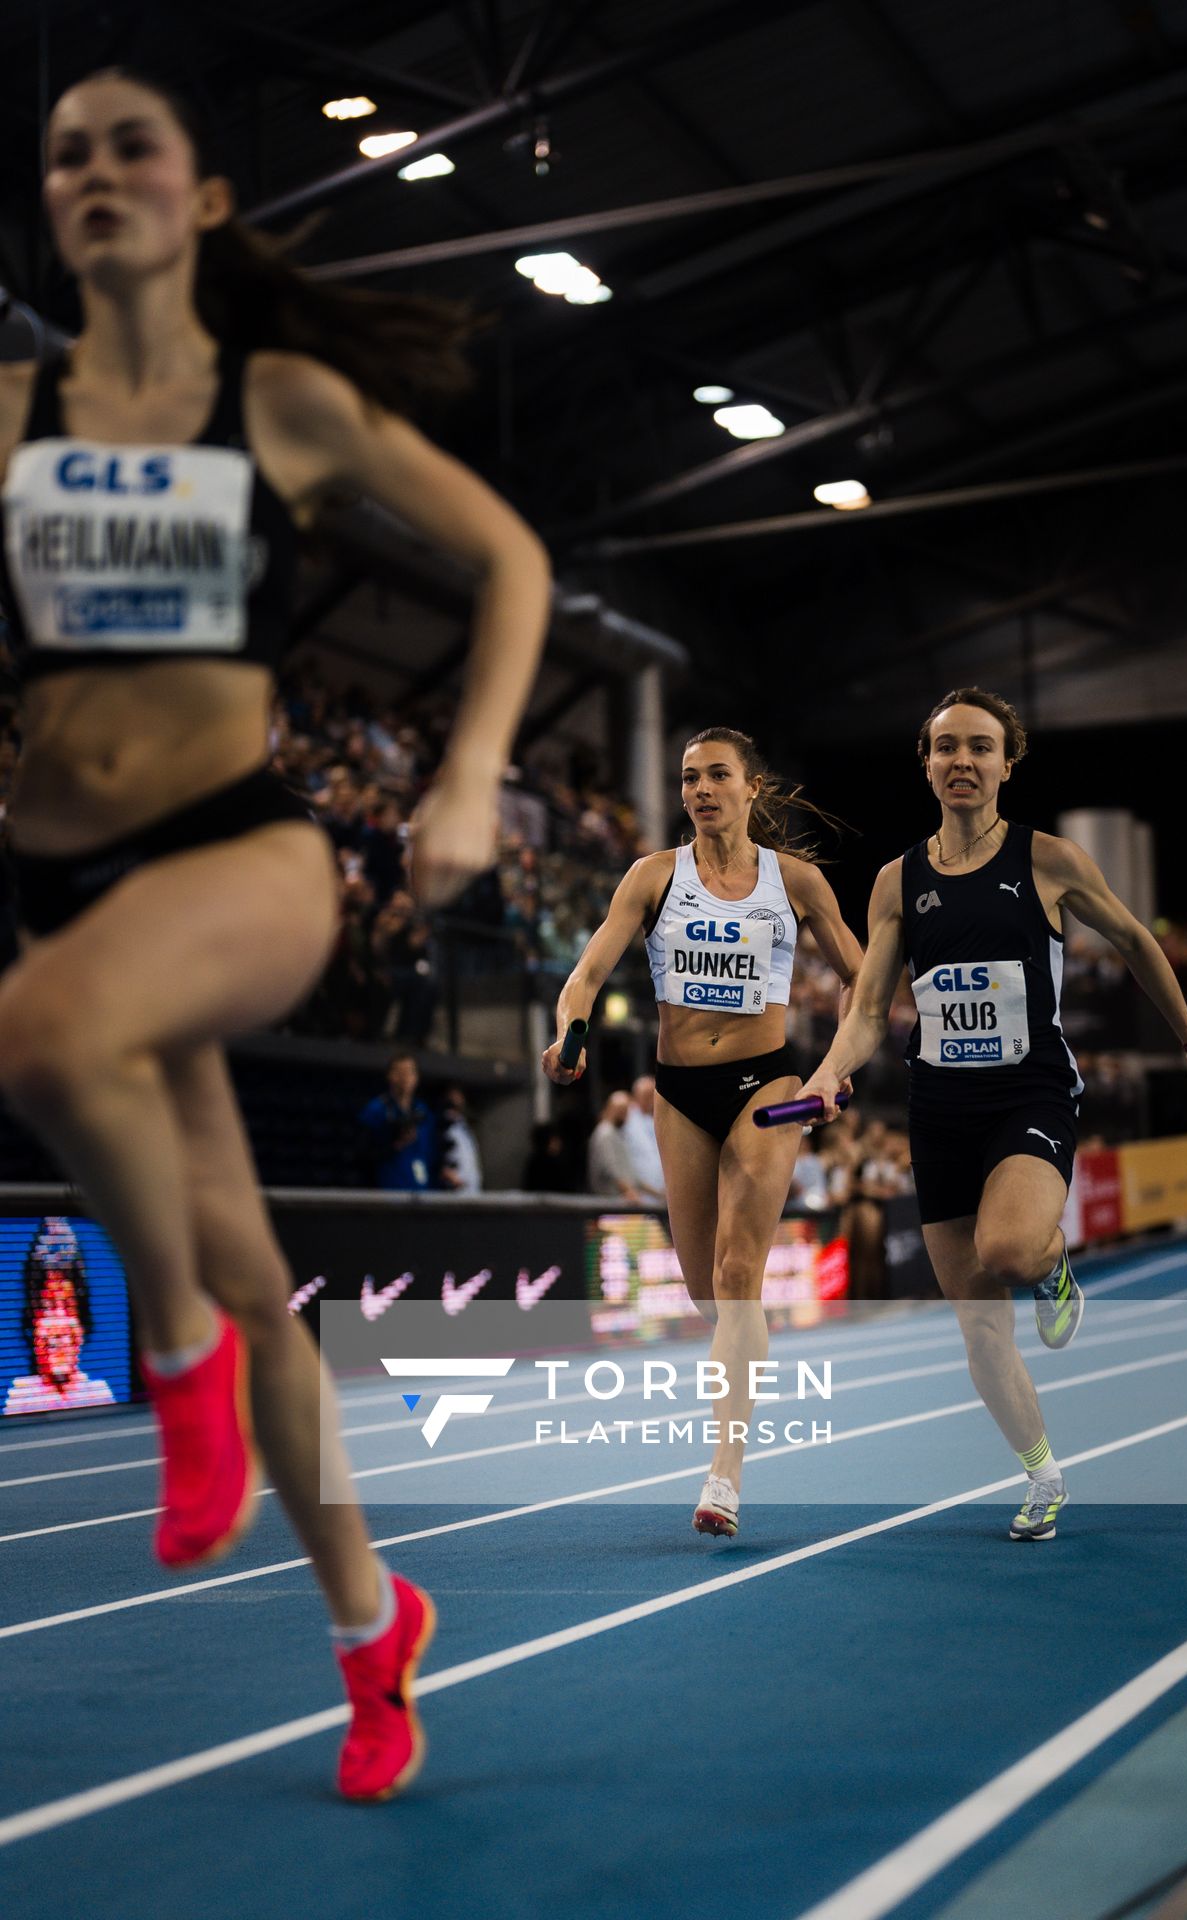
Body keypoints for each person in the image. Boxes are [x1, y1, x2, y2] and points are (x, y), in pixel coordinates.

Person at [0, 67, 550, 1801]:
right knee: (265, 1284)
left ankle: (174, 1355)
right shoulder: (9, 409)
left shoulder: (282, 402)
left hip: (239, 853)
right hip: (64, 874)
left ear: (202, 199)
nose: (96, 170)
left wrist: (467, 777)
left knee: (38, 1036)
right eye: (65, 152)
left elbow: (512, 559)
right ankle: (373, 1632)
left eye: (130, 145)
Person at [799, 687, 1187, 1542]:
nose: (962, 760)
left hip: (1030, 1091)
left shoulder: (1049, 860)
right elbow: (867, 1007)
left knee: (1008, 1249)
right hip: (939, 1105)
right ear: (925, 763)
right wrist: (827, 1074)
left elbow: (1138, 941)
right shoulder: (897, 881)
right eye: (946, 746)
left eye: (980, 747)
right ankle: (1043, 1475)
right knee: (979, 1319)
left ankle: (1057, 1260)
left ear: (1007, 762)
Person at [543, 727, 862, 1536]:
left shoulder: (796, 881)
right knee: (706, 1292)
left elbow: (868, 982)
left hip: (769, 1085)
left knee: (737, 1269)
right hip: (680, 1092)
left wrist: (834, 1071)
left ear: (752, 787)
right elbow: (586, 974)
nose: (700, 789)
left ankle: (724, 1474)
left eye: (717, 775)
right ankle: (741, 1366)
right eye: (689, 778)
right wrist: (569, 1032)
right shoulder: (654, 877)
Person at [3, 1217, 117, 1415]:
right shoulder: (20, 1397)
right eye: (47, 1307)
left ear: (82, 1327)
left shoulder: (99, 1394)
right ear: (32, 1325)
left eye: (67, 1305)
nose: (58, 1326)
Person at [358, 1055, 437, 1191]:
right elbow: (364, 1153)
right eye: (400, 1072)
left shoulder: (423, 1110)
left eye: (410, 1072)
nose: (405, 1078)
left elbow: (431, 1152)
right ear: (390, 1076)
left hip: (421, 1189)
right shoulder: (376, 1109)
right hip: (389, 1189)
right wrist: (395, 1145)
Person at [587, 1090, 642, 1204]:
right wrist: (630, 1191)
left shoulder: (616, 1133)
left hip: (621, 1200)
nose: (627, 1115)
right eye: (625, 1110)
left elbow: (630, 1174)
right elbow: (611, 1169)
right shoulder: (605, 1132)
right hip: (612, 1202)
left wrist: (657, 1194)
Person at [621, 1073, 666, 1202]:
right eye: (646, 1095)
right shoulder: (626, 1117)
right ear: (635, 1096)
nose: (650, 1100)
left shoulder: (658, 1119)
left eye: (652, 1095)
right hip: (636, 1196)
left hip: (661, 1197)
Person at [439, 1083, 483, 1193]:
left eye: (459, 1097)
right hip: (452, 1189)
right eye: (452, 1097)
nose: (456, 1100)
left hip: (471, 1188)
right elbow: (435, 1155)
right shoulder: (440, 1125)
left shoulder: (465, 1127)